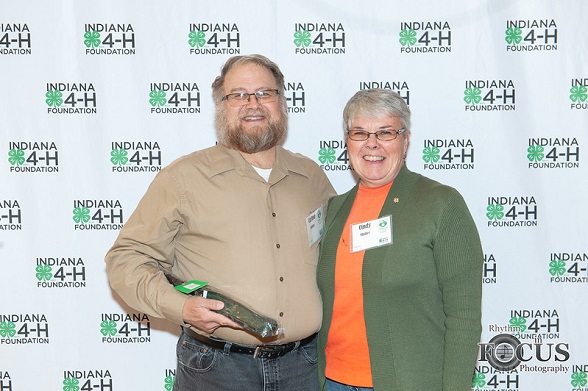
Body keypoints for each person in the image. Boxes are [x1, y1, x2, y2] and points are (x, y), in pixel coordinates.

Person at [105, 54, 336, 391]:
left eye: (264, 93)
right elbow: (126, 260)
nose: (252, 104)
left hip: (305, 366)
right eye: (238, 95)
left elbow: (345, 253)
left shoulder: (310, 176)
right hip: (217, 369)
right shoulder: (183, 178)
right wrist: (181, 306)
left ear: (281, 102)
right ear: (221, 106)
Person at [316, 89, 483, 390]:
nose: (372, 143)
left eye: (385, 132)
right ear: (347, 142)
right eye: (360, 133)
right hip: (334, 381)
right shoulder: (335, 209)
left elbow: (464, 316)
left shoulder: (441, 204)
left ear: (405, 141)